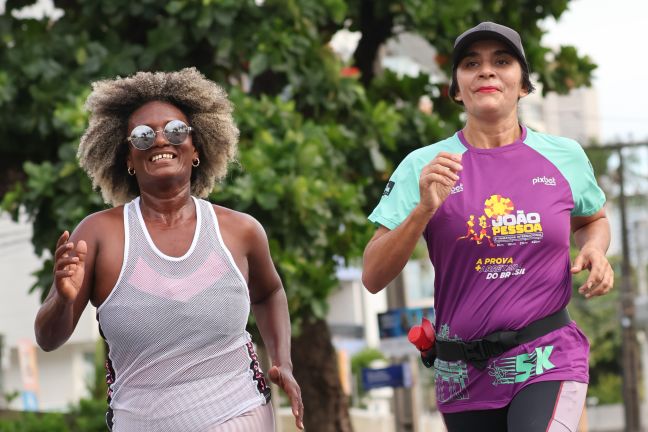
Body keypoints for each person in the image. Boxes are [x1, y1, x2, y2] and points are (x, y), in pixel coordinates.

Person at [362, 22, 613, 432]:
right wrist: (423, 209)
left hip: (546, 355)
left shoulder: (564, 156)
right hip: (463, 372)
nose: (486, 71)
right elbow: (373, 275)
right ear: (457, 89)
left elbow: (593, 219)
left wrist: (596, 248)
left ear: (524, 86)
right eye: (471, 63)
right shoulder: (423, 166)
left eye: (502, 61)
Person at [34, 68, 304, 431]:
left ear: (195, 147)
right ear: (128, 158)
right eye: (143, 136)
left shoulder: (240, 231)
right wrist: (63, 300)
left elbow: (270, 292)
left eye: (176, 131)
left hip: (237, 415)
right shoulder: (98, 234)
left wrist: (283, 361)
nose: (160, 141)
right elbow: (48, 339)